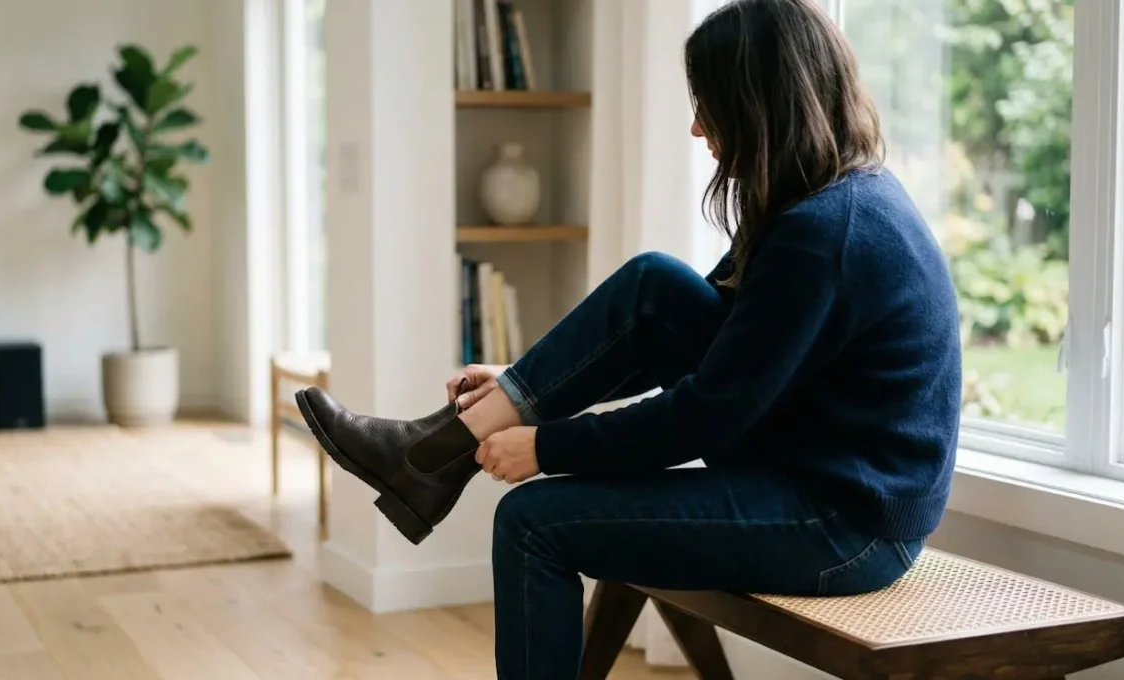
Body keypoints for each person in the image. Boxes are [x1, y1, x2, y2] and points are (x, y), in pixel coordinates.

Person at [296, 0, 962, 677]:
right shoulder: (826, 200)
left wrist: (547, 445)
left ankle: (426, 459)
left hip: (845, 523)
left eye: (711, 104)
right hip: (808, 466)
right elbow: (689, 334)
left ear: (760, 105)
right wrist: (524, 383)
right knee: (656, 287)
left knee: (533, 522)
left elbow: (706, 413)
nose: (698, 125)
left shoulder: (825, 233)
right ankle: (431, 454)